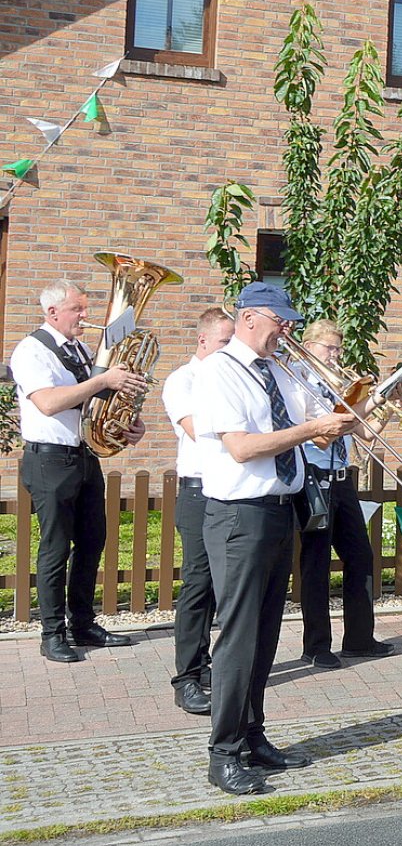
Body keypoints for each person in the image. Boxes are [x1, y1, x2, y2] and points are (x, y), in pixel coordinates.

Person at [191, 282, 357, 795]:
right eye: (278, 320)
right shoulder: (220, 371)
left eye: (288, 320)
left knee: (265, 635)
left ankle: (252, 735)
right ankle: (222, 752)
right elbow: (243, 448)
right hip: (239, 515)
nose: (286, 329)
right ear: (247, 319)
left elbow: (297, 428)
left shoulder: (276, 370)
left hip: (279, 510)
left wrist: (331, 426)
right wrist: (311, 432)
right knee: (239, 637)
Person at [11, 279, 149, 663]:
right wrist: (102, 379)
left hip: (84, 457)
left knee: (92, 543)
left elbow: (96, 405)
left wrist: (127, 425)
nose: (86, 317)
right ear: (52, 312)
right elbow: (50, 402)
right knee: (55, 549)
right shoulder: (32, 351)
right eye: (78, 309)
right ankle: (51, 632)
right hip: (49, 459)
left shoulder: (82, 350)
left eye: (86, 309)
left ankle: (83, 624)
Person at [293, 319, 394, 669]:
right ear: (309, 348)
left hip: (341, 477)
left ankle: (359, 638)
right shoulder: (299, 381)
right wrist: (368, 400)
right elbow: (325, 434)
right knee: (317, 564)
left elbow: (365, 433)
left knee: (360, 556)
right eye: (329, 348)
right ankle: (316, 645)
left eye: (338, 349)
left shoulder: (340, 387)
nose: (336, 355)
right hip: (313, 476)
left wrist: (388, 404)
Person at [160, 306, 235, 713]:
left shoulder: (230, 377)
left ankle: (212, 666)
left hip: (230, 491)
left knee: (228, 588)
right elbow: (198, 431)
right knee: (198, 585)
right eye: (224, 342)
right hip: (197, 491)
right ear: (203, 340)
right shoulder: (182, 380)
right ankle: (186, 676)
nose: (229, 350)